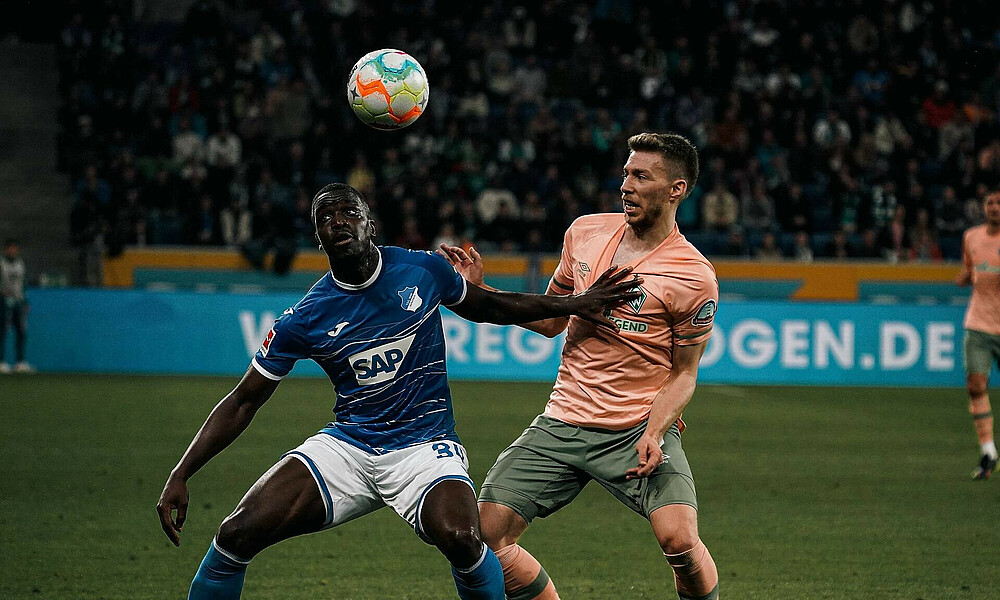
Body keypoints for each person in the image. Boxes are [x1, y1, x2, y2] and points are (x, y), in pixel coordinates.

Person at [155, 183, 641, 600]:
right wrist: (182, 473)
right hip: (349, 446)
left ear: (370, 224)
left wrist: (575, 302)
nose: (338, 222)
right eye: (326, 217)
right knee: (235, 533)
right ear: (318, 236)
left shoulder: (422, 270)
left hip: (424, 449)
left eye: (349, 212)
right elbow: (243, 401)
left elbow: (493, 305)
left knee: (463, 537)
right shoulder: (304, 318)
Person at [440, 133, 720, 600]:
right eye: (626, 174)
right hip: (563, 421)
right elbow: (552, 318)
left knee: (680, 540)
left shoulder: (694, 276)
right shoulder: (585, 232)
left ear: (676, 190)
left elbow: (684, 372)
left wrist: (654, 432)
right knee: (482, 536)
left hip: (636, 429)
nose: (626, 185)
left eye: (641, 176)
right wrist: (482, 293)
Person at [956, 189, 1000, 480]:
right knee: (975, 386)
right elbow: (968, 271)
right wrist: (962, 278)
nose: (995, 207)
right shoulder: (971, 237)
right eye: (991, 203)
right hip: (979, 324)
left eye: (999, 203)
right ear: (983, 207)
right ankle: (989, 453)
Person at [0, 239, 33, 373]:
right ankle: (1, 361)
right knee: (2, 331)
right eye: (10, 248)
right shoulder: (1, 264)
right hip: (4, 301)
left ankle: (20, 362)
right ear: (6, 249)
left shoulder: (20, 264)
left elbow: (23, 283)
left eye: (14, 248)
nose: (12, 250)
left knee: (21, 331)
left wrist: (25, 301)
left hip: (18, 301)